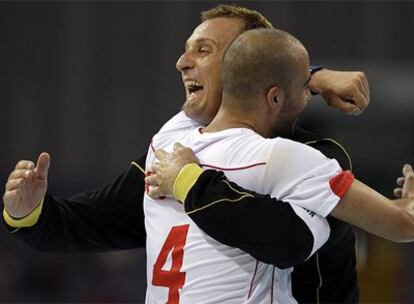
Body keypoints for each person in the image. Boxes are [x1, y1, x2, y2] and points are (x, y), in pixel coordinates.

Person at [2, 4, 369, 303]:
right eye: (187, 48)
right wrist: (28, 212)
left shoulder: (309, 155)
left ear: (244, 64)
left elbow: (289, 241)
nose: (182, 61)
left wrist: (191, 182)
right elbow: (85, 223)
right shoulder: (177, 149)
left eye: (203, 50)